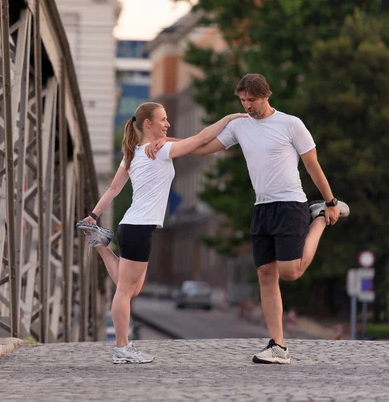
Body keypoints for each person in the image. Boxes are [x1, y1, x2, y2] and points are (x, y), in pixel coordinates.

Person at [146, 73, 349, 364]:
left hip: (291, 204)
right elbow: (202, 148)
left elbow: (313, 165)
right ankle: (277, 346)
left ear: (266, 95)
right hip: (262, 208)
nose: (247, 105)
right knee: (266, 275)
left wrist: (330, 202)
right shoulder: (240, 125)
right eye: (242, 100)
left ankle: (317, 218)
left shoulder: (291, 124)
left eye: (251, 100)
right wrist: (166, 143)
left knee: (290, 272)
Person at [76, 102, 246, 364]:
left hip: (133, 226)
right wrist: (230, 116)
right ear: (148, 123)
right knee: (124, 290)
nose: (167, 124)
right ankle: (122, 348)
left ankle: (100, 243)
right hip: (138, 227)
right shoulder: (161, 150)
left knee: (133, 287)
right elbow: (199, 139)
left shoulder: (133, 152)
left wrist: (95, 215)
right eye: (163, 120)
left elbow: (113, 188)